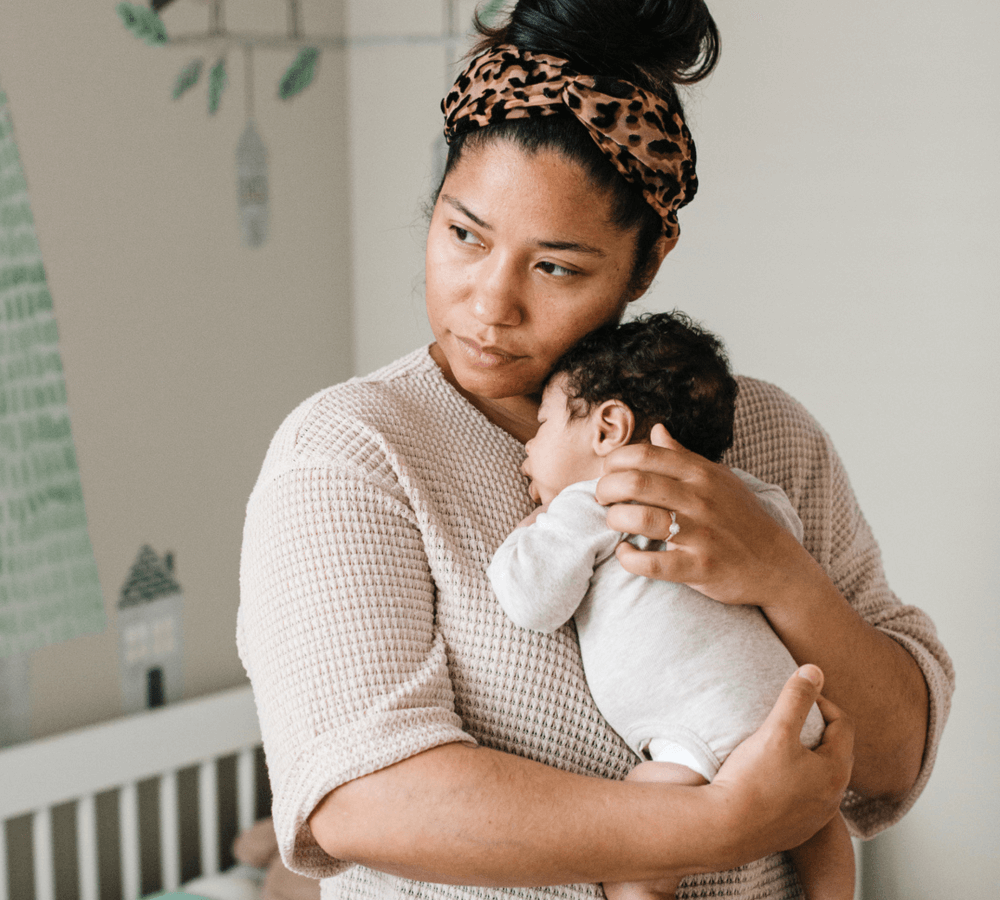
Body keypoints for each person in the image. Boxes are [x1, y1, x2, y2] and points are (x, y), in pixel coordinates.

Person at [237, 2, 954, 898]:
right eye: (464, 234)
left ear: (646, 264)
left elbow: (891, 763)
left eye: (557, 267)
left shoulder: (768, 436)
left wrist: (779, 572)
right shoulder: (352, 452)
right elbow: (358, 797)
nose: (489, 303)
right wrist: (718, 824)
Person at [487, 311, 855, 900]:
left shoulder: (593, 499)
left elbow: (533, 602)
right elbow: (782, 529)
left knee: (642, 849)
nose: (529, 444)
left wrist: (536, 524)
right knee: (819, 820)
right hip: (789, 709)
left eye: (543, 424)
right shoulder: (732, 494)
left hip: (697, 731)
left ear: (607, 428)